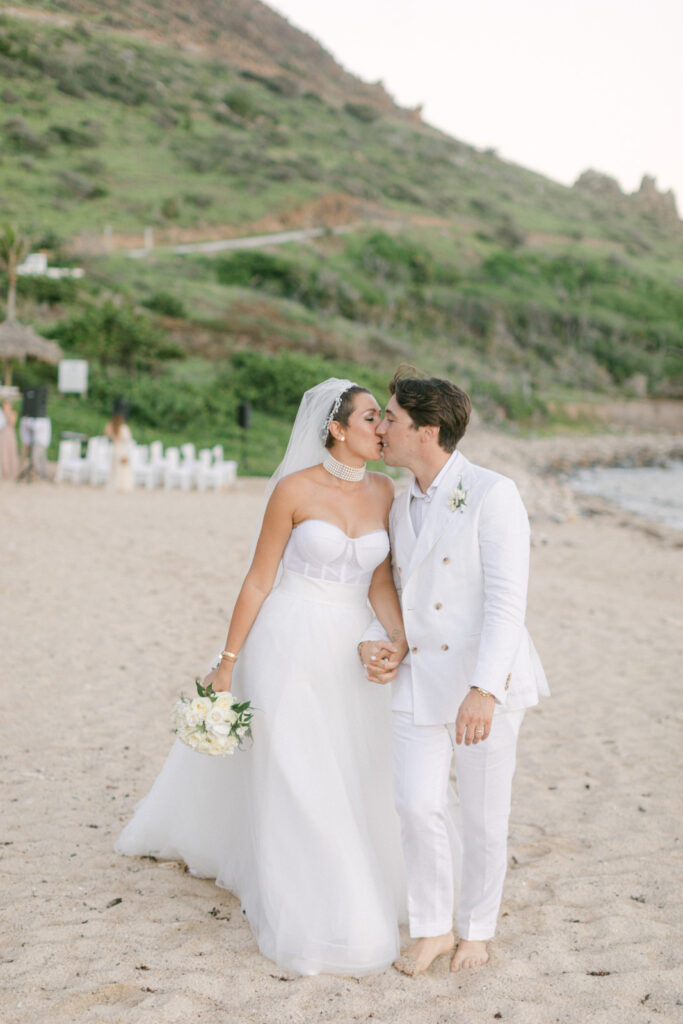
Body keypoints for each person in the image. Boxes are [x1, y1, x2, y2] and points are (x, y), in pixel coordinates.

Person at [116, 379, 408, 976]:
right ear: (336, 427)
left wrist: (400, 641)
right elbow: (258, 579)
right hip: (288, 639)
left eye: (383, 418)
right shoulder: (293, 490)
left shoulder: (385, 491)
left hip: (352, 642)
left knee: (353, 764)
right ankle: (317, 903)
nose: (381, 427)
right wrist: (226, 663)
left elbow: (379, 581)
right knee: (297, 768)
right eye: (371, 416)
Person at [360, 372, 549, 975]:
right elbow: (395, 590)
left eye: (390, 417)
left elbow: (505, 603)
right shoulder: (397, 498)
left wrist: (484, 689)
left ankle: (476, 931)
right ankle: (433, 928)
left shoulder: (493, 493)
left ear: (427, 430)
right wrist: (380, 643)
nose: (381, 427)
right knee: (416, 805)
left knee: (484, 813)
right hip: (420, 676)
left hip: (482, 682)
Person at [104, 402, 133, 492]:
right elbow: (128, 439)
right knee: (123, 468)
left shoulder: (112, 427)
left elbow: (107, 434)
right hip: (122, 450)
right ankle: (123, 485)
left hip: (114, 449)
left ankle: (115, 484)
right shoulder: (124, 428)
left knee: (115, 468)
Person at [0, 398, 19, 480]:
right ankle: (4, 472)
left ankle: (12, 472)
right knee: (3, 453)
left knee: (12, 452)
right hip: (2, 434)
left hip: (10, 435)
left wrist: (7, 414)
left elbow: (12, 423)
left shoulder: (13, 413)